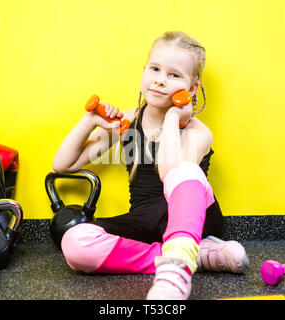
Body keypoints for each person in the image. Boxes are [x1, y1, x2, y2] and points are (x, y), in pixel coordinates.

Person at [52, 31, 249, 300]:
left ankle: (176, 269)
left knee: (187, 171)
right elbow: (63, 165)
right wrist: (89, 121)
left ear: (191, 89)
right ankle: (199, 256)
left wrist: (172, 120)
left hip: (194, 222)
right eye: (155, 69)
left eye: (174, 75)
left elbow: (171, 174)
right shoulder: (127, 122)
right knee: (75, 243)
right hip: (146, 224)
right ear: (144, 71)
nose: (160, 80)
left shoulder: (198, 131)